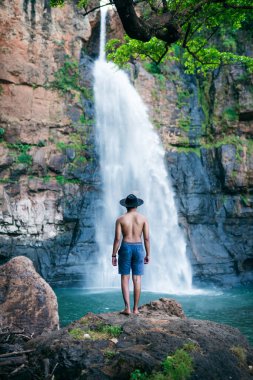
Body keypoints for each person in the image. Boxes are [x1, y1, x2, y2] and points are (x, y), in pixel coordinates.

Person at [112, 194, 150, 315]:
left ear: (126, 206)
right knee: (137, 278)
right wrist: (148, 254)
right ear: (137, 205)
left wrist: (113, 255)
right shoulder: (143, 219)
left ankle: (127, 308)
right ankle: (136, 309)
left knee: (125, 277)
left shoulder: (120, 219)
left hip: (125, 247)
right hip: (139, 247)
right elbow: (147, 238)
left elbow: (117, 239)